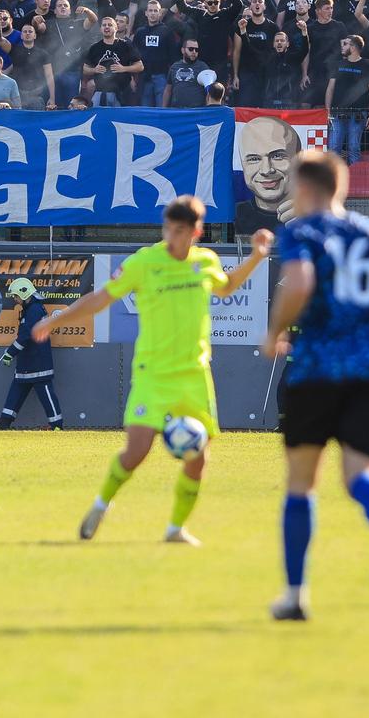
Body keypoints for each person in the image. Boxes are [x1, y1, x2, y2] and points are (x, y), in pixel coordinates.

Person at [34, 196, 272, 546]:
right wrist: (57, 319)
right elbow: (101, 299)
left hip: (193, 374)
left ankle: (176, 529)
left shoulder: (205, 261)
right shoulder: (145, 262)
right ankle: (102, 505)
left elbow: (227, 287)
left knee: (198, 459)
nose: (172, 238)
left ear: (196, 232)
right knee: (137, 451)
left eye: (179, 231)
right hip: (153, 373)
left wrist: (256, 257)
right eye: (168, 230)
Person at [262, 150, 369, 621]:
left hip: (317, 370)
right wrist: (367, 341)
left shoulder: (302, 233)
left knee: (302, 483)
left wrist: (275, 333)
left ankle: (295, 595)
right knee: (359, 475)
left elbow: (300, 283)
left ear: (305, 188)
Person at [0, 279, 63, 430]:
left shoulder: (34, 310)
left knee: (46, 392)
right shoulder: (29, 309)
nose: (14, 299)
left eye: (15, 296)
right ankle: (5, 421)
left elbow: (26, 335)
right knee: (17, 388)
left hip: (38, 360)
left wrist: (10, 353)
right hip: (27, 361)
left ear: (24, 292)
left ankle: (56, 425)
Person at [236, 115, 300, 234]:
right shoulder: (231, 218)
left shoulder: (319, 217)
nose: (266, 170)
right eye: (254, 159)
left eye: (277, 156)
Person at [325, 35, 369, 165]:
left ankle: (356, 180)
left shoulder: (368, 66)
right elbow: (330, 89)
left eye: (346, 44)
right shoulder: (338, 65)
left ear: (354, 47)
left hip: (358, 114)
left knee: (354, 147)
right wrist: (327, 111)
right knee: (333, 147)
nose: (342, 47)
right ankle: (333, 180)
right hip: (337, 113)